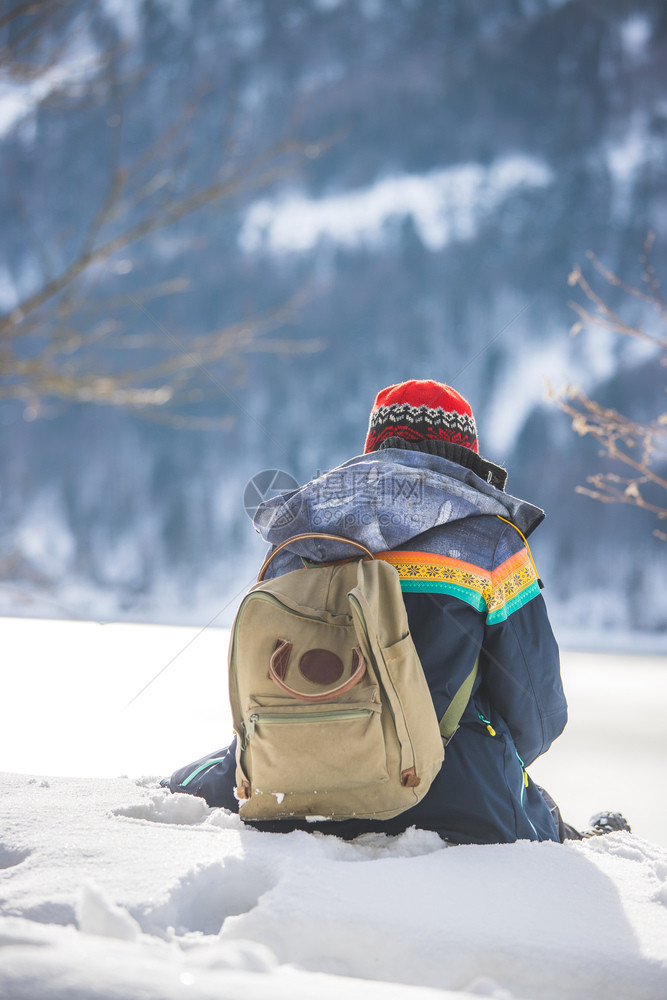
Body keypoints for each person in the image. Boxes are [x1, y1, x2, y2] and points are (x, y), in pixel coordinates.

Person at [165, 379, 630, 844]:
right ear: (463, 454)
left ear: (373, 447)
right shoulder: (492, 541)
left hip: (288, 785)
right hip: (451, 796)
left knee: (187, 781)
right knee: (541, 813)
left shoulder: (299, 533)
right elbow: (538, 712)